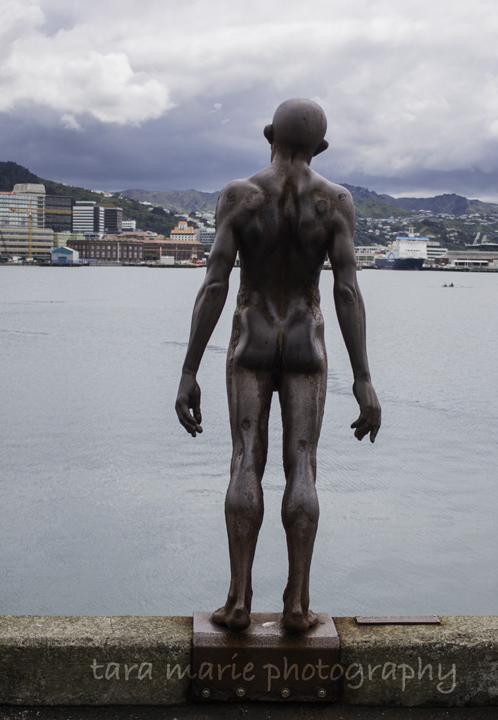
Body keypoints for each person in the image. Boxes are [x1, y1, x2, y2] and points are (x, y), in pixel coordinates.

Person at [175, 98, 381, 634]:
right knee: (303, 465)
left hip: (252, 339)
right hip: (306, 342)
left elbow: (215, 283)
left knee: (246, 458)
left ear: (269, 135)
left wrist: (189, 370)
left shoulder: (240, 196)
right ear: (321, 148)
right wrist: (363, 378)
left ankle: (238, 602)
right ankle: (297, 605)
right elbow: (346, 290)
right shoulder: (336, 202)